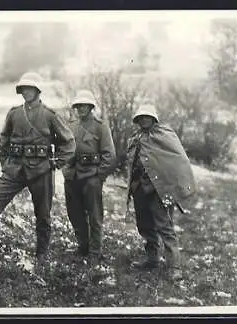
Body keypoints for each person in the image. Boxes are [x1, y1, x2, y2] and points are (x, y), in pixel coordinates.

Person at [0, 72, 76, 264]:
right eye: (23, 89)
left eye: (30, 89)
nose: (26, 92)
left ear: (37, 91)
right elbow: (3, 140)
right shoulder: (14, 113)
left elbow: (69, 143)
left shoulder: (50, 115)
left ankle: (41, 253)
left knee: (43, 213)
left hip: (41, 170)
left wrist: (54, 163)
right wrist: (6, 164)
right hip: (15, 169)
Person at [126, 103, 196, 280]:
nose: (144, 120)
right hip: (140, 189)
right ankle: (152, 259)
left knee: (164, 226)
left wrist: (172, 187)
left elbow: (178, 160)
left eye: (147, 117)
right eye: (141, 118)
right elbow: (132, 161)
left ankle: (174, 266)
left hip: (160, 190)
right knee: (144, 225)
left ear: (154, 118)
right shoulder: (136, 137)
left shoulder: (164, 135)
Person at [62, 90, 116, 264]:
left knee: (94, 216)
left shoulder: (100, 126)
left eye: (85, 105)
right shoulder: (70, 126)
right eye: (78, 106)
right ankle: (83, 246)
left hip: (91, 176)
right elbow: (64, 149)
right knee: (74, 214)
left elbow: (109, 155)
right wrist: (65, 169)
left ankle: (95, 251)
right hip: (72, 176)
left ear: (91, 107)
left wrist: (99, 176)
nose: (81, 109)